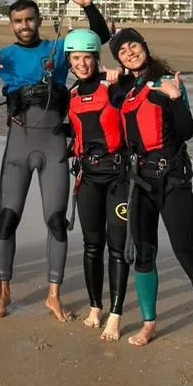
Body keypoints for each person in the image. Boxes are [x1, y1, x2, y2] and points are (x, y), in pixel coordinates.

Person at [0, 0, 110, 322]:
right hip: (18, 149)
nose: (24, 25)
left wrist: (88, 6)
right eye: (18, 21)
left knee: (56, 223)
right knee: (7, 221)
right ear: (11, 25)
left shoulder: (59, 49)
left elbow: (99, 37)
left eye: (29, 19)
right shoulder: (2, 55)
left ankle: (53, 296)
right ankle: (3, 294)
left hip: (53, 148)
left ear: (39, 21)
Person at [109, 28, 193, 353]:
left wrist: (176, 97)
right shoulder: (126, 90)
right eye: (122, 51)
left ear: (144, 47)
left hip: (172, 180)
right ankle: (149, 324)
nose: (129, 52)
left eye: (134, 46)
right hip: (140, 183)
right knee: (143, 256)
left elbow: (187, 130)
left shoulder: (167, 82)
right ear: (119, 58)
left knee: (188, 255)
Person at [64, 29, 129, 341]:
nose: (82, 63)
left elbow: (139, 82)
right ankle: (95, 307)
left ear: (95, 58)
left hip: (118, 177)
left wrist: (122, 78)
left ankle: (115, 314)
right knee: (92, 246)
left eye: (87, 57)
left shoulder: (114, 86)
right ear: (70, 61)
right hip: (88, 177)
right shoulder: (72, 94)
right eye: (76, 58)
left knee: (117, 248)